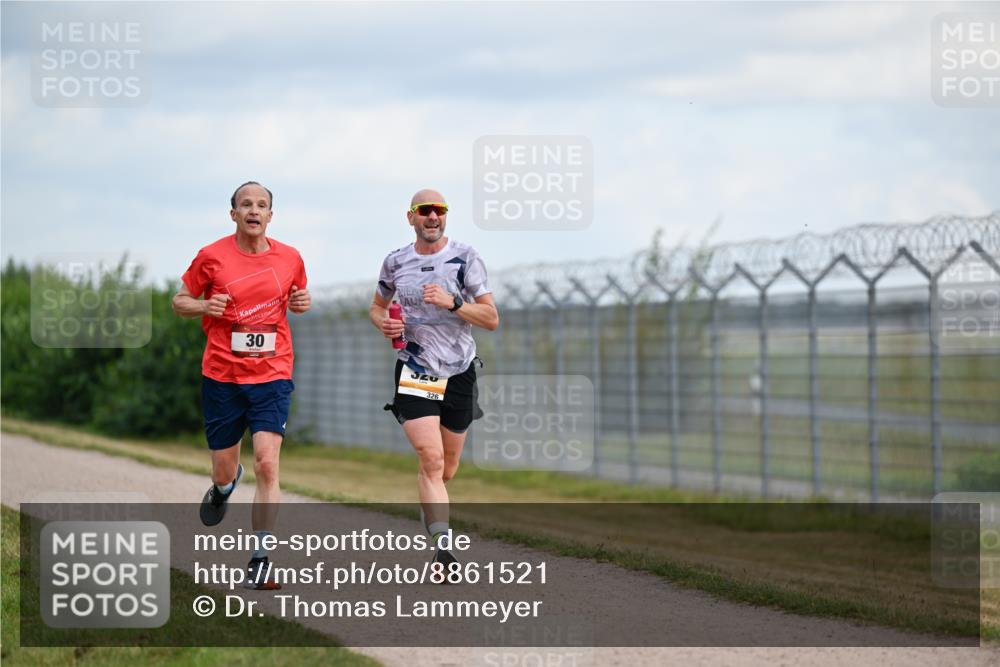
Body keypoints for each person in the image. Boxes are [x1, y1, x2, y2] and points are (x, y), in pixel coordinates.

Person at [172, 181, 310, 590]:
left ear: (270, 215)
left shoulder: (290, 258)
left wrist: (303, 303)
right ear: (233, 214)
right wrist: (202, 305)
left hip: (272, 373)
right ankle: (224, 486)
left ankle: (261, 558)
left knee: (269, 462)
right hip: (222, 375)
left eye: (262, 205)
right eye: (246, 204)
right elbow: (180, 300)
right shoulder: (211, 256)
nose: (254, 210)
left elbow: (299, 297)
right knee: (222, 467)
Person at [370, 188, 499, 575]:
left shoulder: (465, 258)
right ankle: (444, 551)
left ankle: (431, 498)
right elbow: (376, 308)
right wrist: (385, 323)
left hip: (459, 369)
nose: (432, 216)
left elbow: (491, 318)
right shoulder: (396, 261)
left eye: (439, 210)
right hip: (415, 367)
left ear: (445, 216)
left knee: (448, 467)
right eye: (424, 211)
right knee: (431, 458)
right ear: (410, 217)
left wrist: (454, 303)